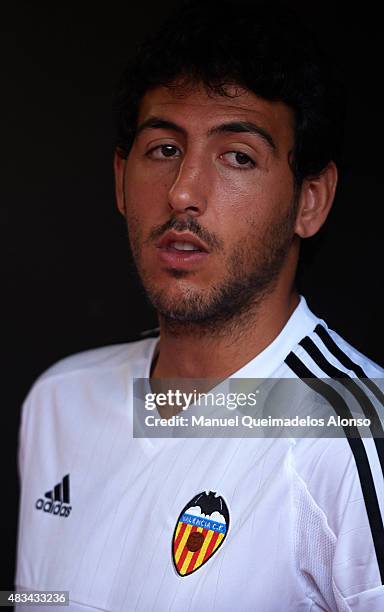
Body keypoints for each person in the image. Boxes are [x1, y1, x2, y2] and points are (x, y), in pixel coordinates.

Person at [15, 1, 384, 610]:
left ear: (310, 201)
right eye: (163, 149)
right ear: (119, 178)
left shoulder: (349, 439)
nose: (184, 191)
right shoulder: (60, 401)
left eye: (237, 156)